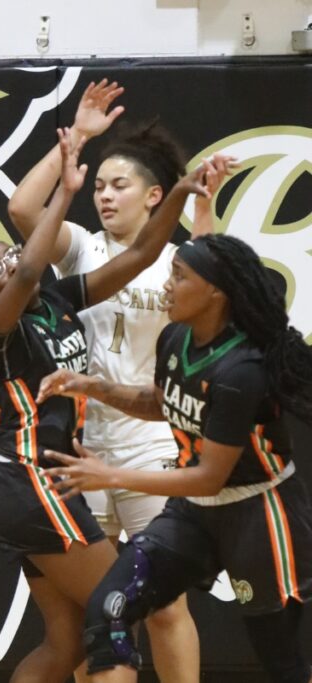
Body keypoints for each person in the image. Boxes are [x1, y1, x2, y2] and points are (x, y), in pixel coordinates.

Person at [0, 127, 212, 683]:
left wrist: (185, 192)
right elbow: (23, 265)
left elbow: (141, 255)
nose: (9, 262)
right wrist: (65, 190)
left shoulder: (60, 297)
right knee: (117, 618)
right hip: (35, 476)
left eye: (8, 254)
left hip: (85, 462)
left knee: (68, 639)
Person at [8, 79, 234, 682]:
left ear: (154, 195)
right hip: (79, 446)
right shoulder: (80, 248)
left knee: (162, 604)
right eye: (99, 186)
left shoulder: (176, 259)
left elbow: (216, 294)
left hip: (151, 445)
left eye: (118, 185)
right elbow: (23, 211)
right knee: (97, 614)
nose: (104, 195)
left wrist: (204, 207)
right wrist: (75, 142)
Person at [37, 234, 312, 683]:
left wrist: (109, 474)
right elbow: (161, 403)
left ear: (215, 292)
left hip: (258, 514)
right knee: (109, 608)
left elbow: (209, 477)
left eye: (178, 276)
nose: (166, 285)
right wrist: (90, 385)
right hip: (194, 516)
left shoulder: (241, 370)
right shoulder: (175, 338)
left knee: (281, 662)